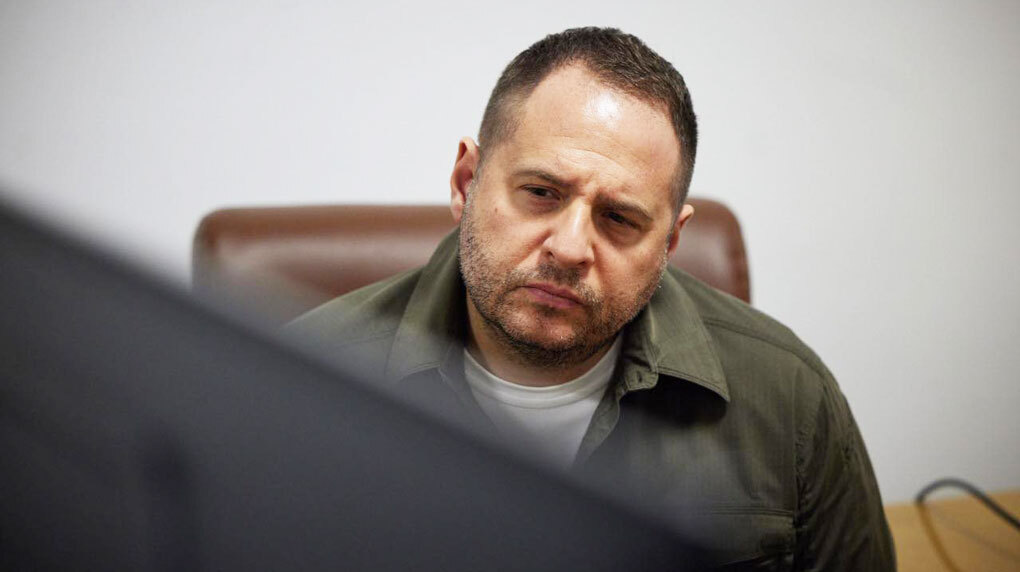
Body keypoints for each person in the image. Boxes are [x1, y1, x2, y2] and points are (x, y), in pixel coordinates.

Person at [290, 27, 894, 570]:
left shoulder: (791, 400)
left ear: (670, 242)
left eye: (620, 218)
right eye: (541, 192)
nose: (571, 247)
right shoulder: (305, 382)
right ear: (466, 182)